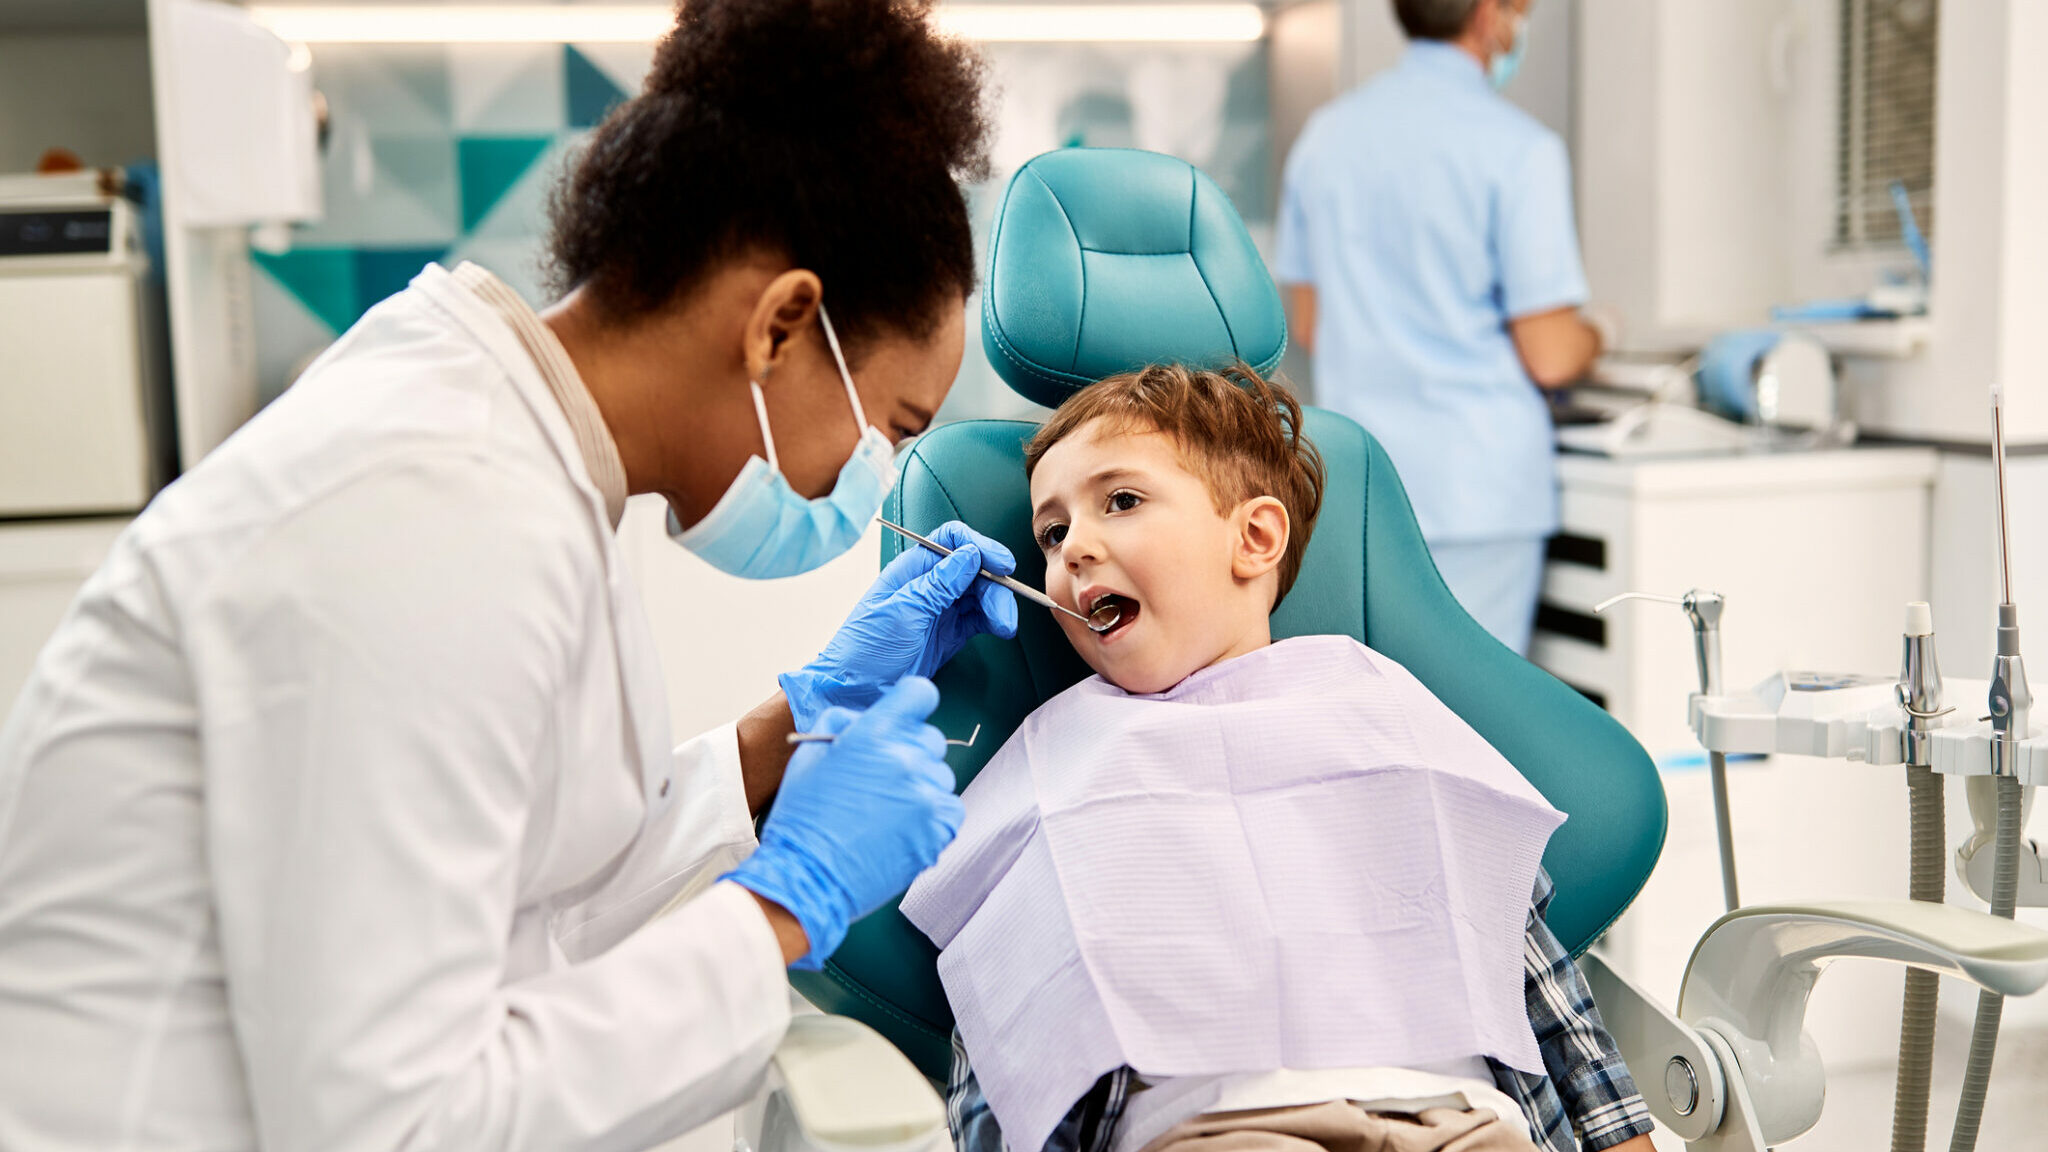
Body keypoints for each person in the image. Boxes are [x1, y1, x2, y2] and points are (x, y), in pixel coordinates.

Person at [0, 3, 1012, 1150]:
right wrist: (788, 904)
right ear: (781, 324)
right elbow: (397, 1122)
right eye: (890, 425)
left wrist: (786, 730)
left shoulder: (510, 450)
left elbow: (521, 892)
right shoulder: (426, 512)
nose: (870, 480)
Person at [902, 365, 1656, 1152]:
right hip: (1222, 1132)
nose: (1073, 550)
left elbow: (1539, 986)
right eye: (1051, 534)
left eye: (1120, 501)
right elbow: (1005, 1023)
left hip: (1455, 1121)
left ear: (1255, 539)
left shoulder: (1380, 715)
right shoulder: (1060, 765)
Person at [1275, 0, 1613, 655]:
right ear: (1489, 14)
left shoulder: (1326, 137)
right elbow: (1550, 353)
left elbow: (1312, 324)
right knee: (1468, 718)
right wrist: (1602, 332)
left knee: (1378, 703)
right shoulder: (1519, 149)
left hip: (1360, 482)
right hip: (1476, 490)